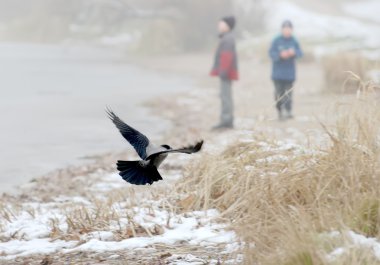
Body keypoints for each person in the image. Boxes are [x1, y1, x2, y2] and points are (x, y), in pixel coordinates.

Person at [269, 20, 303, 120]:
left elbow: (300, 53)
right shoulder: (276, 40)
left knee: (288, 94)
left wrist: (294, 53)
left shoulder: (294, 41)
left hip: (289, 74)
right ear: (282, 30)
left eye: (289, 29)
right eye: (285, 29)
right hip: (277, 74)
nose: (287, 31)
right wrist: (280, 55)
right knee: (278, 93)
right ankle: (280, 111)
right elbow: (271, 53)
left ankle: (288, 111)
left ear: (292, 30)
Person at [210, 16, 239, 130]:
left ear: (228, 26)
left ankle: (226, 121)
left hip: (226, 73)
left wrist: (223, 72)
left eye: (221, 23)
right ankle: (227, 120)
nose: (219, 25)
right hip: (225, 72)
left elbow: (227, 57)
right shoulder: (226, 37)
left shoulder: (228, 39)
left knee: (225, 96)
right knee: (225, 96)